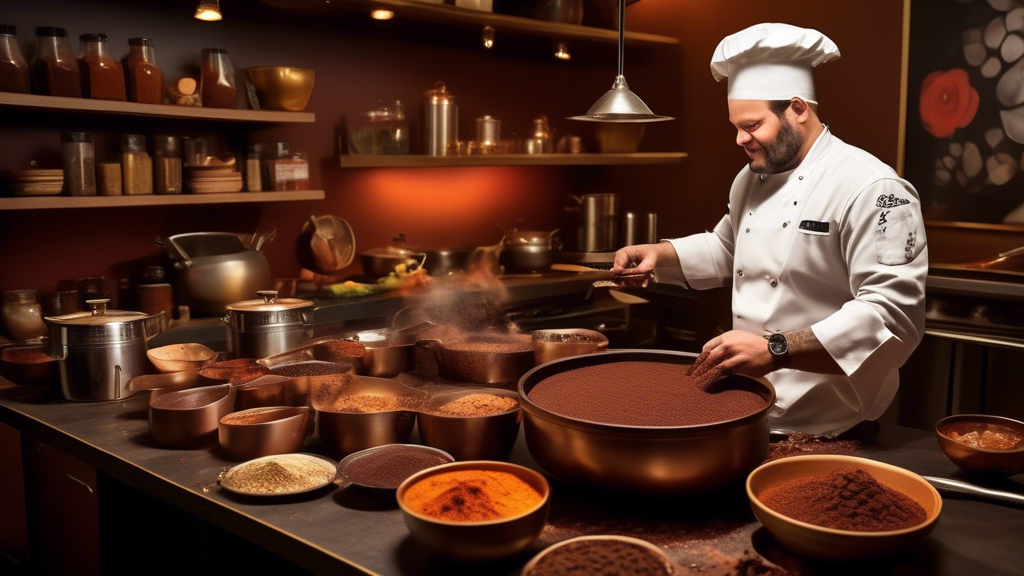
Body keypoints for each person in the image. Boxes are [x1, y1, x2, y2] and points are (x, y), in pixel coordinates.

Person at [612, 23, 928, 436]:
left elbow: (893, 316)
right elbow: (729, 248)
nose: (741, 139)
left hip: (832, 420)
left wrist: (775, 349)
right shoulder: (750, 178)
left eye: (753, 125)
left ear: (797, 109)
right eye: (736, 127)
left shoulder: (875, 188)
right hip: (750, 405)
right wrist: (661, 255)